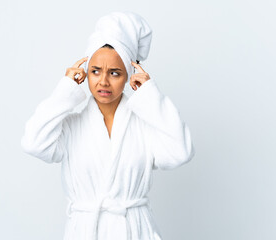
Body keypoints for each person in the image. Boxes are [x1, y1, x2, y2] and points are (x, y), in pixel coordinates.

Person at [21, 11, 195, 240]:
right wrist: (65, 90)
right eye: (95, 71)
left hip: (135, 231)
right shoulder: (71, 127)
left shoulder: (144, 127)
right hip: (85, 232)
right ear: (85, 73)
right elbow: (33, 143)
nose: (103, 81)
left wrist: (151, 97)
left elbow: (180, 152)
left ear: (128, 75)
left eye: (114, 73)